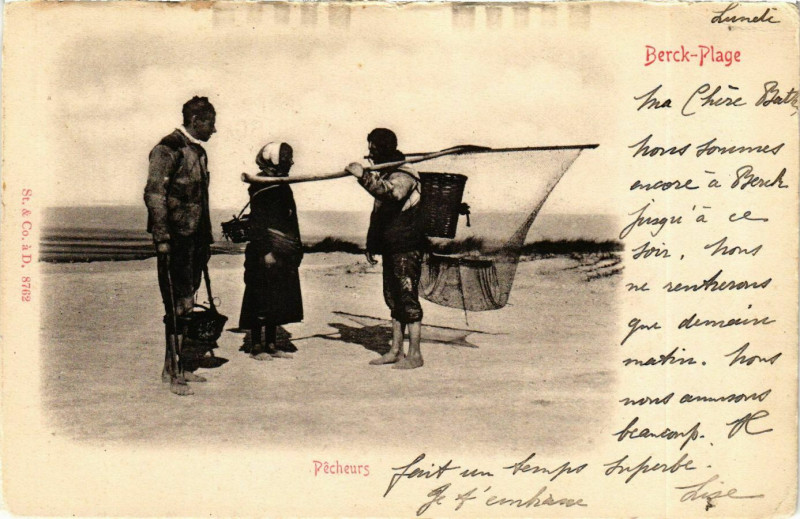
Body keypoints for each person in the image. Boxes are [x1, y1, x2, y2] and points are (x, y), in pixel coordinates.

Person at [144, 96, 216, 396]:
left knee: (187, 302)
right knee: (176, 305)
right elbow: (154, 195)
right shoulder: (167, 149)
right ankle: (174, 374)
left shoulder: (198, 152)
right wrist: (162, 238)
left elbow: (200, 201)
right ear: (195, 121)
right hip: (175, 241)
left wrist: (205, 240)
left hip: (195, 241)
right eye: (210, 123)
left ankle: (178, 367)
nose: (214, 130)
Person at [345, 128, 426, 369]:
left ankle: (415, 354)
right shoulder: (388, 173)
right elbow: (378, 215)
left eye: (374, 149)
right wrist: (372, 243)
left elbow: (392, 194)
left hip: (407, 246)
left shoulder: (404, 173)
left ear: (384, 149)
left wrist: (363, 177)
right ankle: (395, 350)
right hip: (391, 246)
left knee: (407, 298)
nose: (370, 155)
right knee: (394, 299)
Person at [238, 142, 304, 361]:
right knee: (260, 296)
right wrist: (266, 251)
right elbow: (258, 222)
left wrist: (296, 248)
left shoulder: (281, 184)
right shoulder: (261, 184)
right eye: (286, 158)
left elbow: (290, 217)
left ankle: (272, 345)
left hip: (283, 250)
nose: (291, 162)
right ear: (274, 160)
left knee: (277, 297)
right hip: (264, 250)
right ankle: (257, 346)